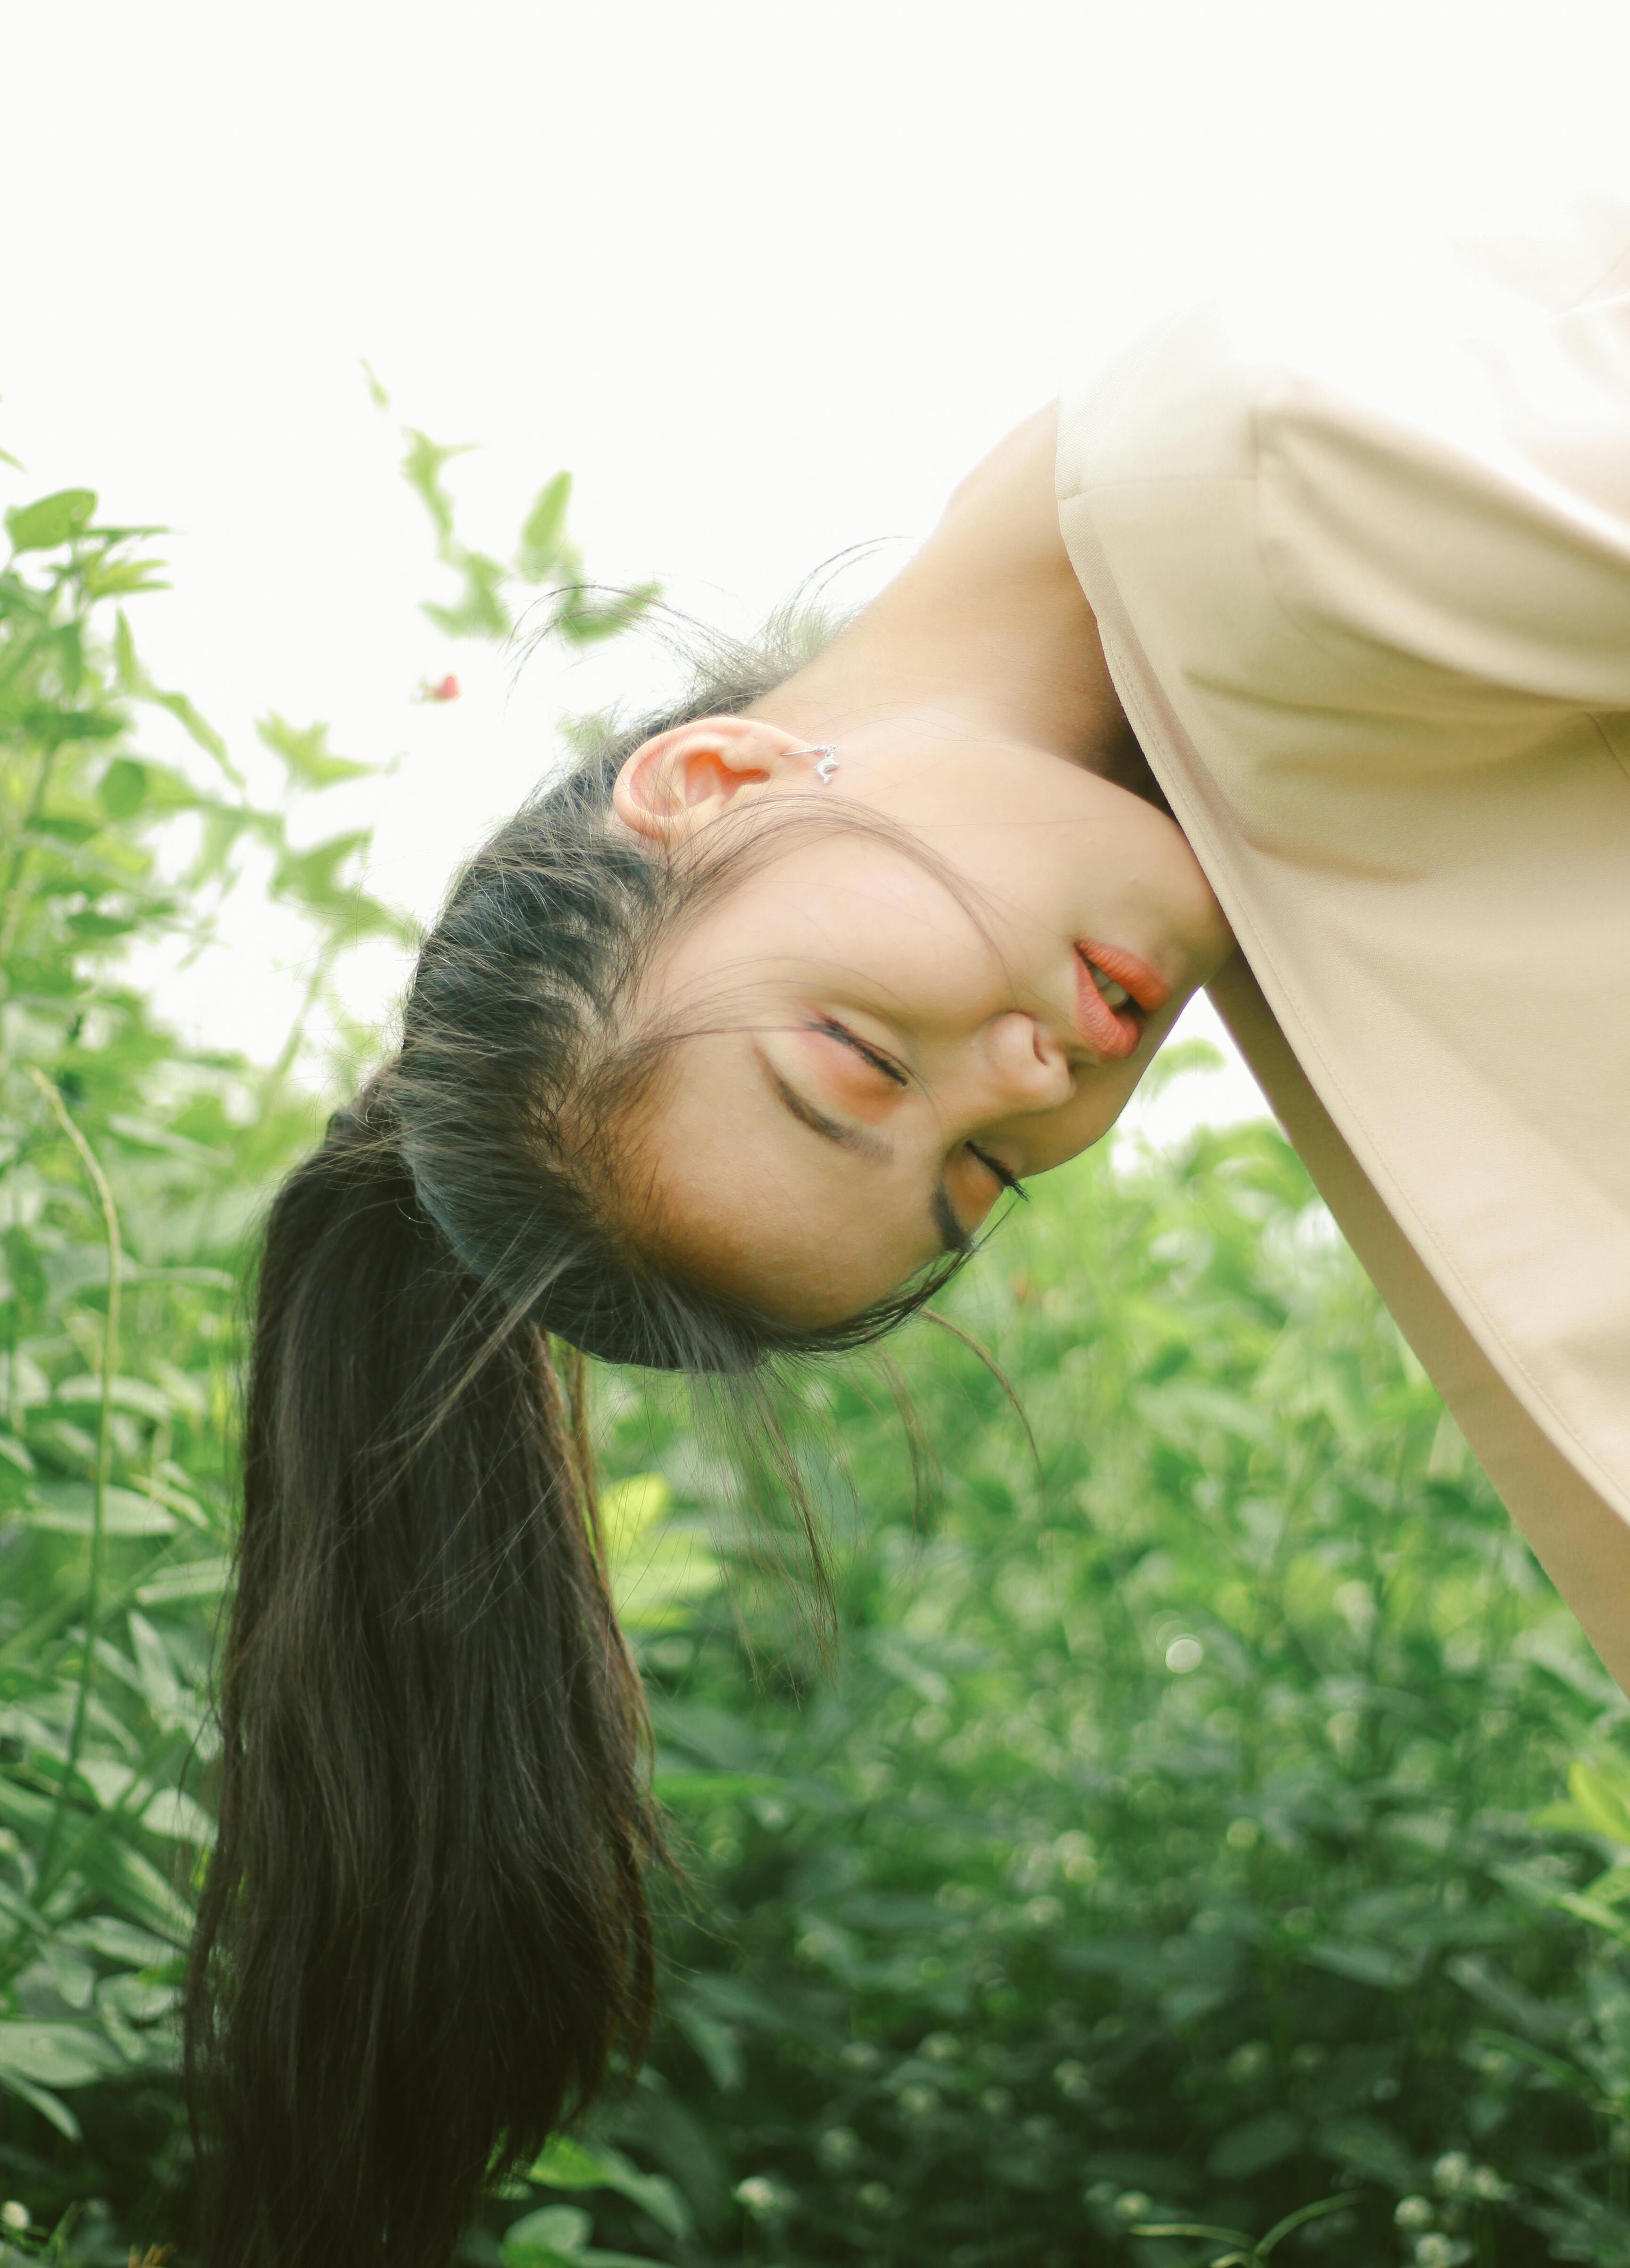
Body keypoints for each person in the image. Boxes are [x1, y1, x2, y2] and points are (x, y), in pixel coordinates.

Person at [185, 189, 1630, 2267]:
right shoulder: (1198, 670)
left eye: (857, 1064)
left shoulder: (1265, 505)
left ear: (713, 781)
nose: (1027, 1094)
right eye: (967, 1185)